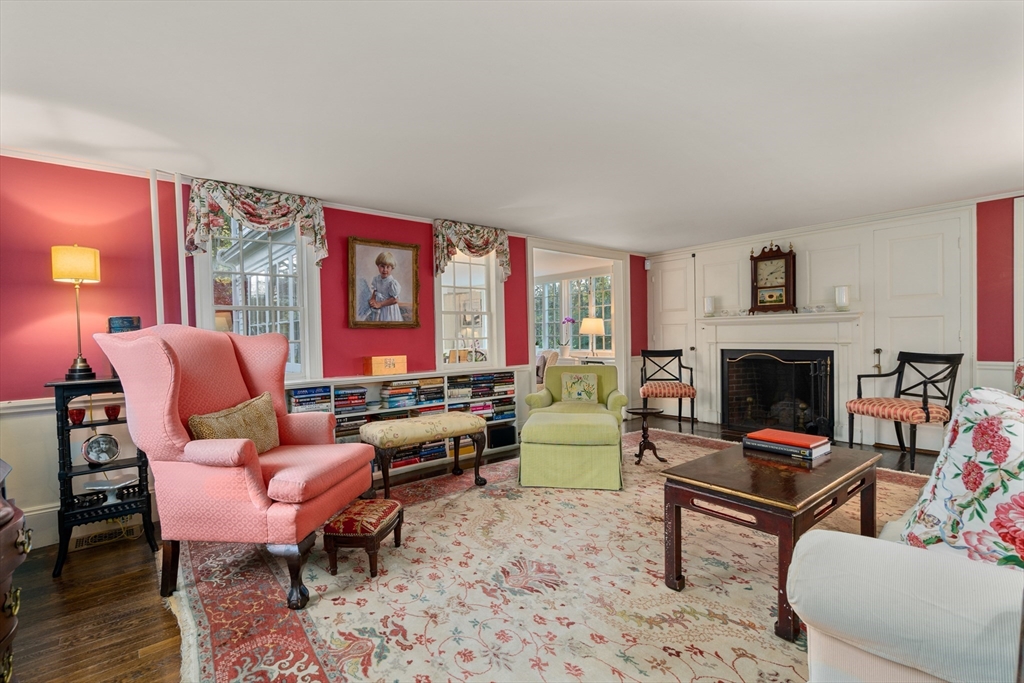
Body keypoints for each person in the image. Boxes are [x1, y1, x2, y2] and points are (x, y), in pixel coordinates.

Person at [367, 251, 402, 321]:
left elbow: (395, 300)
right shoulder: (376, 279)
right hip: (379, 308)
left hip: (389, 310)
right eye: (382, 266)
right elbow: (375, 291)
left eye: (388, 267)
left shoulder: (392, 283)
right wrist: (373, 299)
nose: (385, 270)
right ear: (378, 266)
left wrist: (380, 304)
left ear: (392, 268)